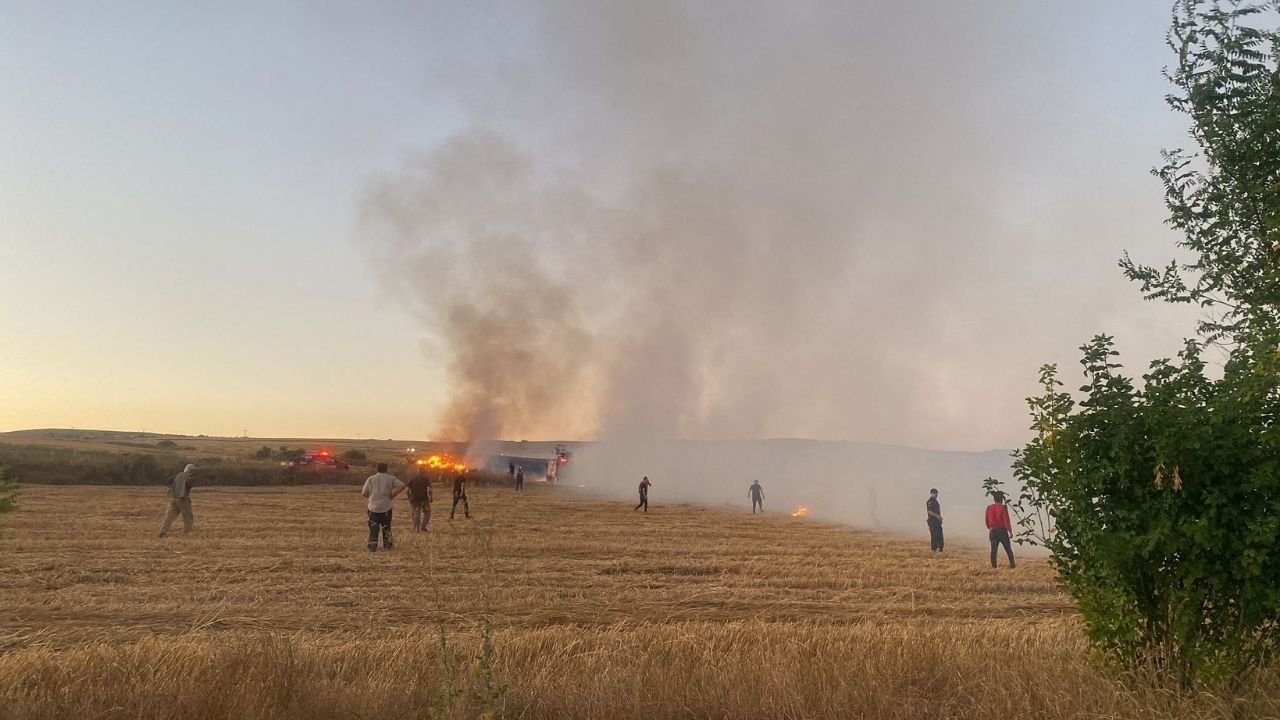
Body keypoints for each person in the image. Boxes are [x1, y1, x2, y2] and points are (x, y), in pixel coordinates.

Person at [362, 462, 405, 552]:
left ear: (377, 469)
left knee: (373, 527)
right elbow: (402, 485)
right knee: (386, 527)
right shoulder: (390, 479)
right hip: (386, 507)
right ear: (386, 469)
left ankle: (372, 545)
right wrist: (393, 494)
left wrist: (371, 498)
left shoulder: (371, 479)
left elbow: (364, 493)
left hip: (373, 508)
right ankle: (388, 545)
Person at [159, 463, 197, 537]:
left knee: (169, 516)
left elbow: (169, 481)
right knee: (188, 516)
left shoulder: (178, 475)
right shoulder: (188, 476)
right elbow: (189, 484)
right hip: (182, 498)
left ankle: (162, 532)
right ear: (191, 470)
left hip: (173, 497)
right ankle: (187, 533)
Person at [985, 492, 1016, 569]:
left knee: (993, 550)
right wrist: (1010, 531)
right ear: (1001, 499)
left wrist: (989, 527)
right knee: (1008, 549)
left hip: (993, 531)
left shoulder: (989, 508)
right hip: (1002, 531)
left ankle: (994, 566)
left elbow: (986, 519)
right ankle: (1012, 566)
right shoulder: (1003, 507)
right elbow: (1006, 520)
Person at [407, 466, 433, 533]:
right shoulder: (426, 478)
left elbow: (407, 490)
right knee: (427, 513)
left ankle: (416, 529)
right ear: (424, 472)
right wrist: (431, 498)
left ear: (417, 472)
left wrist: (409, 498)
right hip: (424, 499)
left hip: (414, 499)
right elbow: (429, 490)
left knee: (416, 514)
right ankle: (423, 527)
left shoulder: (413, 478)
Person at [926, 488, 944, 553]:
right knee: (934, 536)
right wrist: (937, 516)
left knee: (940, 535)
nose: (936, 494)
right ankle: (934, 550)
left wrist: (939, 519)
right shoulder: (930, 501)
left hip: (937, 522)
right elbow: (930, 511)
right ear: (931, 493)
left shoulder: (936, 501)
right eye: (934, 493)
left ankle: (940, 550)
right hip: (932, 521)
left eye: (936, 493)